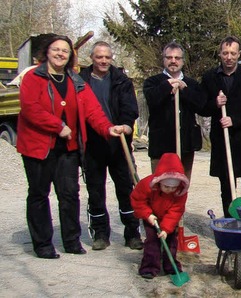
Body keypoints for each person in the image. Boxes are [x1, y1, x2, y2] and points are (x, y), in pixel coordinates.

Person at [17, 35, 128, 259]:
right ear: (47, 52)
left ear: (70, 56)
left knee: (69, 194)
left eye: (65, 51)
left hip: (68, 148)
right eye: (56, 50)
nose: (60, 54)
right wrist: (58, 126)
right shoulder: (33, 77)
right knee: (39, 194)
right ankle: (43, 244)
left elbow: (93, 110)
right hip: (39, 147)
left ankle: (71, 240)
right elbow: (30, 108)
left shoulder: (75, 81)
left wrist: (107, 128)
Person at [79, 41, 142, 251]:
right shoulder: (81, 80)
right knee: (96, 191)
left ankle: (132, 233)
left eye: (107, 57)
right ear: (92, 59)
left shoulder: (121, 80)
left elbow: (130, 108)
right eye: (99, 57)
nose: (104, 61)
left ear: (111, 58)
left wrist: (125, 124)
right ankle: (100, 233)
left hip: (118, 143)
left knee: (126, 189)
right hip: (93, 145)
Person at [200, 36, 241, 218]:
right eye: (225, 53)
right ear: (220, 54)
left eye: (233, 53)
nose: (229, 57)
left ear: (239, 54)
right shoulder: (209, 78)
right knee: (227, 188)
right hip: (222, 142)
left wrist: (234, 120)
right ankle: (231, 224)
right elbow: (202, 107)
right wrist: (215, 103)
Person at [142, 41, 206, 178]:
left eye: (177, 58)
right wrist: (166, 86)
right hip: (161, 145)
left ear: (182, 61)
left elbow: (200, 106)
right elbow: (152, 100)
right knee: (160, 185)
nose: (173, 61)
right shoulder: (152, 82)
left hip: (185, 145)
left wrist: (184, 90)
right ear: (163, 60)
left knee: (182, 185)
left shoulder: (192, 84)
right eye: (169, 57)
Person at [130, 153, 189, 279]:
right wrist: (147, 215)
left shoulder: (180, 192)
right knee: (152, 242)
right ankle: (149, 267)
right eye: (166, 186)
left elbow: (176, 210)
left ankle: (171, 267)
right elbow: (138, 200)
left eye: (173, 187)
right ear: (160, 181)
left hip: (169, 219)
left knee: (171, 243)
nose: (169, 190)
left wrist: (166, 229)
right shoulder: (146, 184)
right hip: (151, 217)